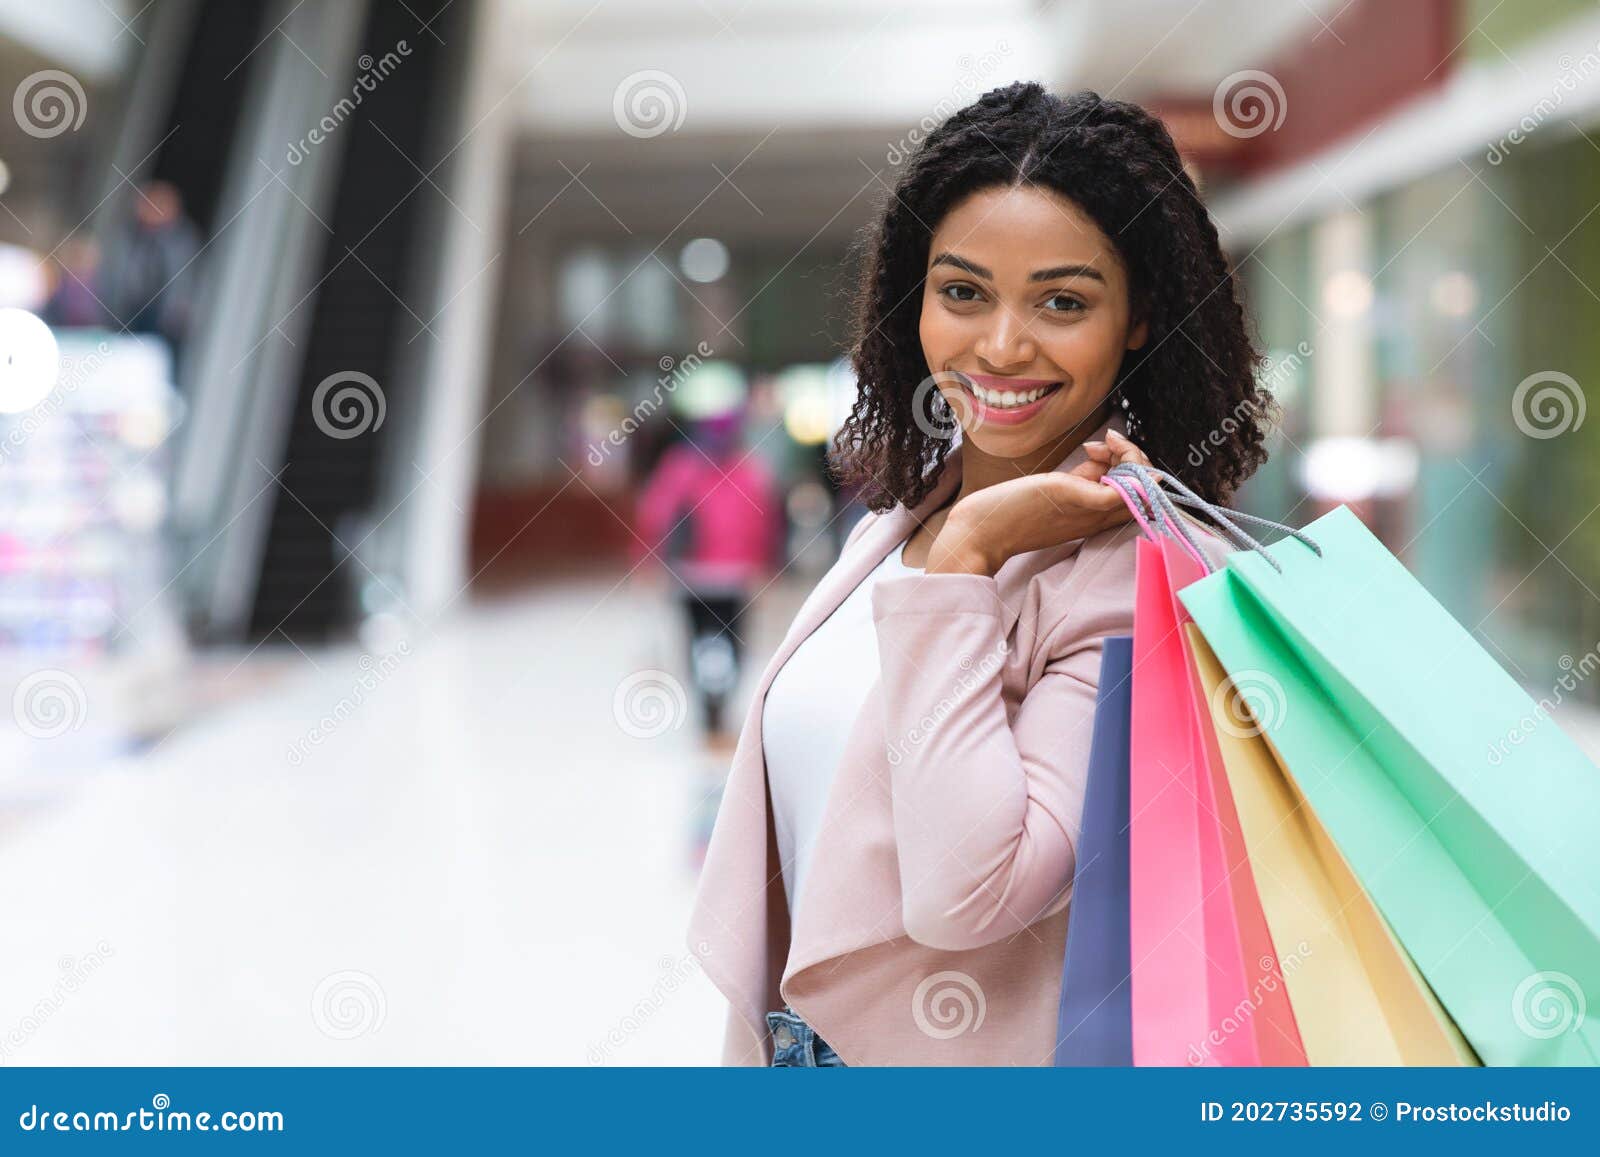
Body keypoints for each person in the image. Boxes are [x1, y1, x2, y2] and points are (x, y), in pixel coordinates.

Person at [687, 84, 1276, 1066]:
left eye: (1062, 300)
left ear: (1136, 319)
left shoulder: (1135, 575)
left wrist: (968, 560)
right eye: (962, 291)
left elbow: (976, 893)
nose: (1000, 345)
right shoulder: (890, 527)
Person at [633, 408, 781, 738]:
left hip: (690, 576)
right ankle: (721, 699)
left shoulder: (678, 467)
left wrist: (647, 560)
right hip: (733, 578)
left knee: (697, 637)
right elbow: (764, 520)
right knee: (732, 639)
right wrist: (766, 566)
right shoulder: (748, 469)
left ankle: (706, 703)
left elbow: (655, 515)